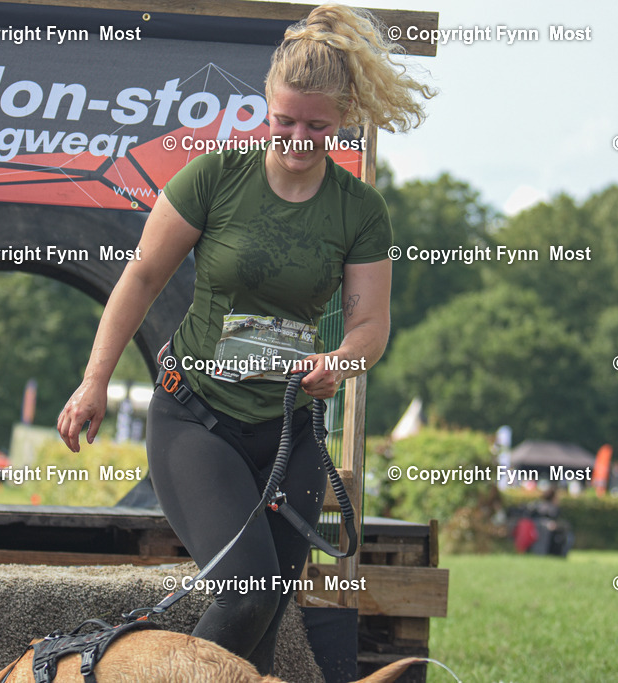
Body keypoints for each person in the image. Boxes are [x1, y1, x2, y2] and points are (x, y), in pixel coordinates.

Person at [57, 4, 432, 674]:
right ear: (266, 103)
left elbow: (370, 326)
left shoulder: (359, 210)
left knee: (264, 618)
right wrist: (94, 381)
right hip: (196, 418)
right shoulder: (215, 177)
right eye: (284, 120)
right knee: (247, 590)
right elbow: (141, 278)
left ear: (344, 117)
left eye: (317, 126)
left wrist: (341, 360)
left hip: (291, 433)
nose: (297, 138)